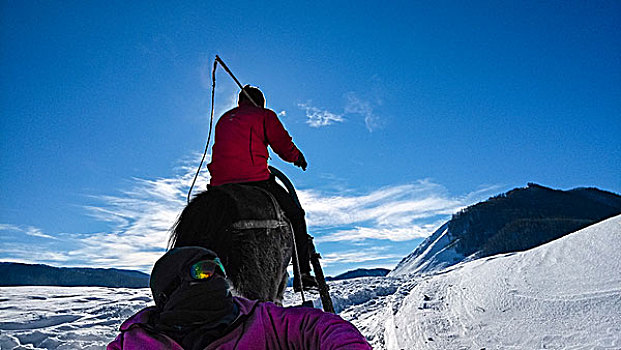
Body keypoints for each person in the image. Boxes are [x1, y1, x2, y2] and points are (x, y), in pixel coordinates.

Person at [107, 247, 372, 350]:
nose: (218, 277)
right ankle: (305, 264)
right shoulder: (131, 342)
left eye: (220, 269)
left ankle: (303, 266)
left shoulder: (260, 319)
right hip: (253, 174)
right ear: (170, 288)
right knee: (293, 214)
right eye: (203, 271)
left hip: (228, 177)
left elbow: (317, 325)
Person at [207, 85, 316, 290]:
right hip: (255, 179)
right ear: (261, 101)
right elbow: (282, 144)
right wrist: (297, 157)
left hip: (219, 185)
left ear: (240, 102)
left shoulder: (224, 119)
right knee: (295, 216)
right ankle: (303, 273)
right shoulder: (264, 115)